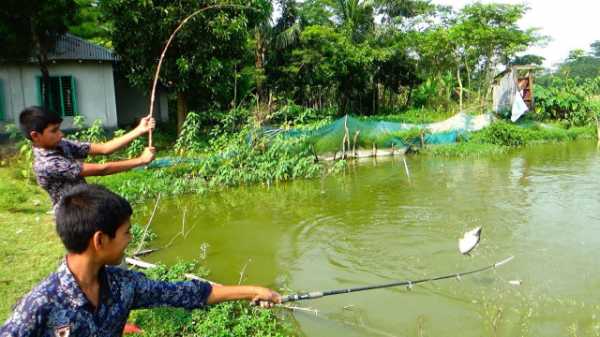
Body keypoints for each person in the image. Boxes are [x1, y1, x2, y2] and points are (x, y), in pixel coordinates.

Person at [0, 184, 281, 337]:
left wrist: (252, 290)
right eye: (126, 233)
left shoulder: (124, 285)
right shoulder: (40, 305)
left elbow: (187, 294)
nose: (130, 239)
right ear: (100, 240)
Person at [18, 106, 156, 206]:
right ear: (35, 136)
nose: (61, 134)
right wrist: (141, 160)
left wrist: (139, 130)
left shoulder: (61, 144)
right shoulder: (47, 164)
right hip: (71, 217)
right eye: (54, 131)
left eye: (59, 129)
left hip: (84, 206)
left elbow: (104, 148)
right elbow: (103, 169)